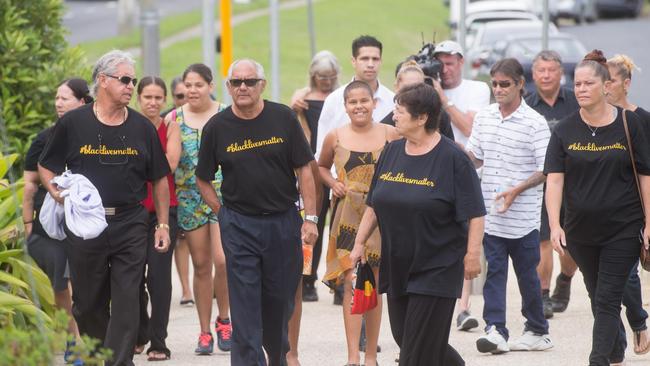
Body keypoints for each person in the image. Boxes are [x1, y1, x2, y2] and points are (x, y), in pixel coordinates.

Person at [38, 50, 171, 366]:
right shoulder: (73, 123)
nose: (130, 86)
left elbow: (160, 179)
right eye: (125, 80)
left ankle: (118, 362)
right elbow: (47, 166)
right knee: (87, 303)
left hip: (130, 222)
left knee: (127, 298)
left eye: (132, 81)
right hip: (85, 225)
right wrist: (57, 193)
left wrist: (162, 224)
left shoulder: (142, 127)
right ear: (102, 80)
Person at [350, 82, 485, 365]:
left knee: (415, 353)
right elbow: (374, 203)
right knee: (409, 339)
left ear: (422, 117)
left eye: (399, 111)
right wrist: (360, 242)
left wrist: (472, 255)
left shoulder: (453, 159)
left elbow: (475, 211)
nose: (393, 116)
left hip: (438, 265)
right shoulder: (392, 152)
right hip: (398, 263)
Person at [195, 58, 318, 366]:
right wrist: (222, 213)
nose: (243, 87)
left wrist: (312, 218)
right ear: (228, 87)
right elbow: (202, 178)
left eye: (250, 81)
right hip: (239, 225)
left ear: (262, 84)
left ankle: (278, 355)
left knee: (279, 304)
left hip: (282, 222)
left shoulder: (284, 118)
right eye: (236, 82)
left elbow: (304, 169)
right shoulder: (217, 127)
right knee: (246, 305)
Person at [545, 50, 650, 366]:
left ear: (606, 87)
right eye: (577, 84)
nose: (581, 89)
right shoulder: (564, 129)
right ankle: (616, 353)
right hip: (580, 232)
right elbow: (554, 181)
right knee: (597, 296)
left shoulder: (630, 123)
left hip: (623, 228)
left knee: (606, 299)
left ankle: (598, 359)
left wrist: (649, 222)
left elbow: (645, 175)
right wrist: (554, 224)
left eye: (588, 83)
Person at [467, 58, 553, 354]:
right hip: (492, 216)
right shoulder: (484, 117)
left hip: (524, 217)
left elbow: (547, 169)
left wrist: (516, 190)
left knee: (528, 275)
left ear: (520, 85)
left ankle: (538, 330)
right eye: (495, 84)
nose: (499, 89)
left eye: (505, 84)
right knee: (495, 273)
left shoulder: (535, 123)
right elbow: (475, 158)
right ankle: (495, 330)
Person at [319, 81, 399, 366]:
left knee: (373, 285)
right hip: (347, 217)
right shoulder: (335, 136)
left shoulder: (391, 134)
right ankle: (353, 355)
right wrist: (333, 183)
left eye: (364, 101)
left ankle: (371, 355)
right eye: (353, 102)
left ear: (375, 103)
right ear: (345, 106)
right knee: (352, 282)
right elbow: (319, 167)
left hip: (380, 216)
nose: (359, 106)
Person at [22, 77, 91, 364]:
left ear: (83, 102)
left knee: (87, 284)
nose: (58, 103)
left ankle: (91, 337)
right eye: (57, 98)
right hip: (51, 226)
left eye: (65, 98)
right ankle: (73, 341)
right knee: (61, 286)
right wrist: (27, 225)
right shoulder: (44, 138)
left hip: (87, 221)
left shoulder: (95, 136)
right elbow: (29, 185)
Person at [170, 63, 231, 355]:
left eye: (198, 84)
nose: (192, 90)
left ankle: (225, 319)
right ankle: (205, 331)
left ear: (210, 86)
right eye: (188, 85)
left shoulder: (224, 115)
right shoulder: (174, 118)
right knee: (202, 265)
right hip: (189, 199)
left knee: (223, 260)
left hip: (221, 196)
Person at [286, 50, 340, 366]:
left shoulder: (340, 96)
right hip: (312, 163)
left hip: (334, 161)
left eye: (330, 77)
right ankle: (307, 279)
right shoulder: (303, 99)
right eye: (321, 77)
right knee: (313, 224)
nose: (326, 81)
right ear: (313, 76)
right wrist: (296, 109)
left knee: (339, 228)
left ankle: (336, 280)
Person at [432, 40, 490, 331]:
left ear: (461, 62)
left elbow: (470, 129)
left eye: (450, 62)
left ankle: (464, 307)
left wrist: (443, 100)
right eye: (439, 62)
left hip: (467, 172)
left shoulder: (476, 89)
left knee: (466, 240)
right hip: (433, 174)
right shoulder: (427, 86)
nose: (445, 68)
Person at [525, 50, 581, 318]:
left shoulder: (576, 101)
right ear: (533, 74)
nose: (546, 75)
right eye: (541, 71)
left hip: (574, 183)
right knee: (543, 240)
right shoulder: (526, 105)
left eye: (551, 70)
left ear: (561, 73)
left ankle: (566, 280)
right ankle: (543, 296)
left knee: (571, 245)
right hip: (539, 183)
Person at [134, 76, 181, 361]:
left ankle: (158, 341)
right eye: (147, 97)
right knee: (133, 276)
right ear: (139, 98)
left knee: (159, 277)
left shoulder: (170, 127)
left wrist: (136, 160)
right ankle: (139, 333)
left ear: (164, 100)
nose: (152, 103)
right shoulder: (129, 126)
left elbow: (170, 165)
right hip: (134, 212)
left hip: (165, 211)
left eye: (157, 98)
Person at [607, 54, 650, 356]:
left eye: (610, 80)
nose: (605, 86)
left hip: (633, 206)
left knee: (626, 273)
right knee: (606, 283)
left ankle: (637, 321)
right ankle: (618, 340)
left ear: (626, 83)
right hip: (599, 207)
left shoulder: (642, 119)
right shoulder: (594, 119)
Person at [315, 35, 395, 161]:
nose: (370, 64)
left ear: (381, 61)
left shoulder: (393, 101)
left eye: (375, 59)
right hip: (340, 178)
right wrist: (334, 180)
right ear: (353, 61)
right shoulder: (334, 100)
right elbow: (321, 150)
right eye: (364, 58)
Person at [380, 60, 454, 141]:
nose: (413, 93)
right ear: (396, 87)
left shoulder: (440, 116)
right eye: (407, 88)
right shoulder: (385, 126)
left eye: (418, 87)